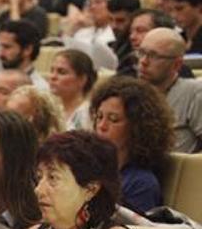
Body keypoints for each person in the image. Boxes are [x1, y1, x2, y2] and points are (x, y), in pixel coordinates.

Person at [90, 76, 174, 213]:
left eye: (114, 119)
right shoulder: (91, 169)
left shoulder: (142, 184)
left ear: (136, 128)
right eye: (99, 117)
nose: (101, 126)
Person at [136, 28, 202, 152]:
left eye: (153, 56)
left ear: (176, 65)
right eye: (141, 52)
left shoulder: (194, 93)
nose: (143, 61)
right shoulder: (131, 92)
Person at [49, 49, 97, 131]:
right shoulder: (53, 111)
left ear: (82, 79)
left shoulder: (88, 115)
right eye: (52, 70)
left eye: (62, 72)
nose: (53, 77)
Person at [0, 19, 48, 90]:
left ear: (27, 50)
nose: (0, 54)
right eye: (1, 47)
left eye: (7, 47)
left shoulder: (38, 89)